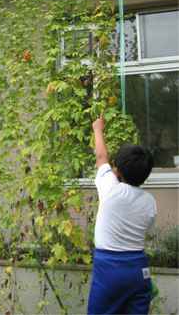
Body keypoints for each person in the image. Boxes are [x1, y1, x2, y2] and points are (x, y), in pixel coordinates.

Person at [88, 116, 157, 315]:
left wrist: (97, 129)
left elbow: (101, 157)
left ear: (116, 171)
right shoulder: (149, 201)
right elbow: (148, 229)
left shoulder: (110, 189)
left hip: (109, 269)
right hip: (138, 269)